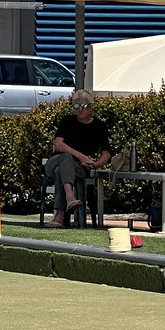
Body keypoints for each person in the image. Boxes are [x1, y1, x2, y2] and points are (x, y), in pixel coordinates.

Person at [43, 90, 112, 228]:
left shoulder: (99, 126)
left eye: (83, 106)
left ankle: (60, 216)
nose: (80, 110)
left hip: (79, 168)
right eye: (76, 107)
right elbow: (58, 144)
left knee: (60, 172)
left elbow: (106, 153)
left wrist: (96, 164)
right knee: (66, 157)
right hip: (56, 160)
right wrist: (81, 156)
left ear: (91, 106)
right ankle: (70, 196)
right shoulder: (67, 121)